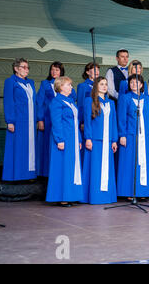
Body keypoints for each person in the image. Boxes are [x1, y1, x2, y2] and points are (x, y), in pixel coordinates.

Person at [117, 75, 149, 200]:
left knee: (145, 162)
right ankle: (130, 192)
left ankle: (143, 191)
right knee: (130, 163)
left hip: (144, 136)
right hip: (130, 135)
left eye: (137, 82)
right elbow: (121, 118)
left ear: (141, 85)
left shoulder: (146, 99)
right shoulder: (125, 98)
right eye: (132, 82)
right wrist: (122, 135)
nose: (134, 84)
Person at [46, 76, 84, 207]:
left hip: (73, 139)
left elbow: (76, 122)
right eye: (69, 85)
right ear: (61, 86)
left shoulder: (71, 101)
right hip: (63, 139)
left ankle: (71, 195)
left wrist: (79, 138)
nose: (71, 87)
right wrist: (59, 139)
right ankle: (62, 197)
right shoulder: (56, 102)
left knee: (71, 168)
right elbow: (56, 122)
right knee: (63, 167)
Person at [81, 77, 118, 204]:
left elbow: (113, 122)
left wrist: (114, 140)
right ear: (96, 86)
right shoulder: (89, 101)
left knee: (107, 169)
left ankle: (107, 197)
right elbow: (87, 122)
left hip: (107, 141)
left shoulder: (110, 103)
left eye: (106, 84)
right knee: (95, 169)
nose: (104, 86)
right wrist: (88, 138)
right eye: (101, 84)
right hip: (95, 140)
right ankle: (94, 196)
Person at [36, 62, 76, 178]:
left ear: (61, 72)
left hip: (62, 121)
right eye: (52, 70)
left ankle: (58, 172)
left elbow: (73, 98)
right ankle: (45, 172)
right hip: (48, 119)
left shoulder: (68, 86)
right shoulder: (45, 84)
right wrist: (40, 119)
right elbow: (40, 101)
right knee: (47, 145)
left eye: (57, 70)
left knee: (60, 144)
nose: (54, 72)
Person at [2, 58, 37, 181]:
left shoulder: (30, 83)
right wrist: (10, 121)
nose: (26, 69)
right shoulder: (10, 82)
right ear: (16, 68)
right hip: (18, 121)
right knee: (18, 147)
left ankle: (29, 175)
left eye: (27, 67)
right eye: (24, 67)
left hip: (31, 122)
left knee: (30, 148)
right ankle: (16, 175)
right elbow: (8, 102)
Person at [77, 62, 100, 131]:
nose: (97, 72)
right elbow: (80, 104)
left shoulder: (101, 86)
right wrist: (82, 121)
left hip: (99, 118)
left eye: (98, 70)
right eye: (94, 70)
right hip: (88, 118)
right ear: (87, 72)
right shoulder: (83, 86)